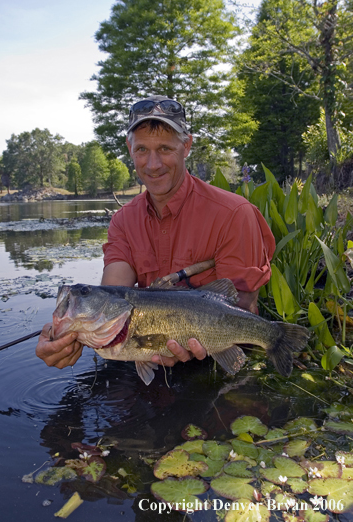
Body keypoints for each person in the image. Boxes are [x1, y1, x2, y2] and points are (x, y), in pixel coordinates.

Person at [36, 95, 275, 369]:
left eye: (164, 148)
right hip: (144, 352)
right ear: (129, 149)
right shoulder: (123, 222)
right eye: (141, 150)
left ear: (186, 146)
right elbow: (113, 295)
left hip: (213, 363)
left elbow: (242, 308)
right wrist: (66, 335)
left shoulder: (235, 214)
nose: (152, 164)